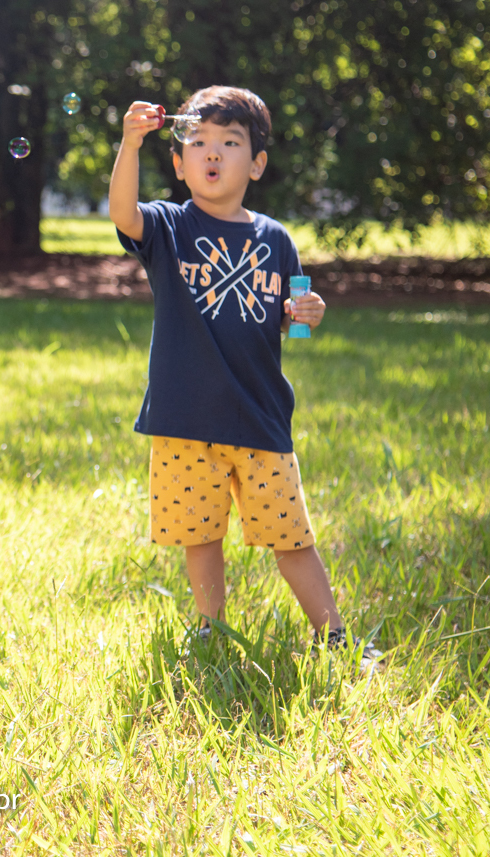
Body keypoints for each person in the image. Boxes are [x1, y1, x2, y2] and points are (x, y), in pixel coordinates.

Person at [108, 86, 379, 664]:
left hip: (258, 416)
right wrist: (131, 144)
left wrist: (308, 314)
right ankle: (211, 631)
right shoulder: (167, 226)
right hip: (184, 419)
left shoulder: (275, 239)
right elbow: (122, 213)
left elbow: (290, 321)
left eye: (231, 142)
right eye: (200, 142)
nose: (214, 153)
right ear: (179, 164)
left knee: (292, 538)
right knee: (200, 536)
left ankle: (333, 636)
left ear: (255, 163)